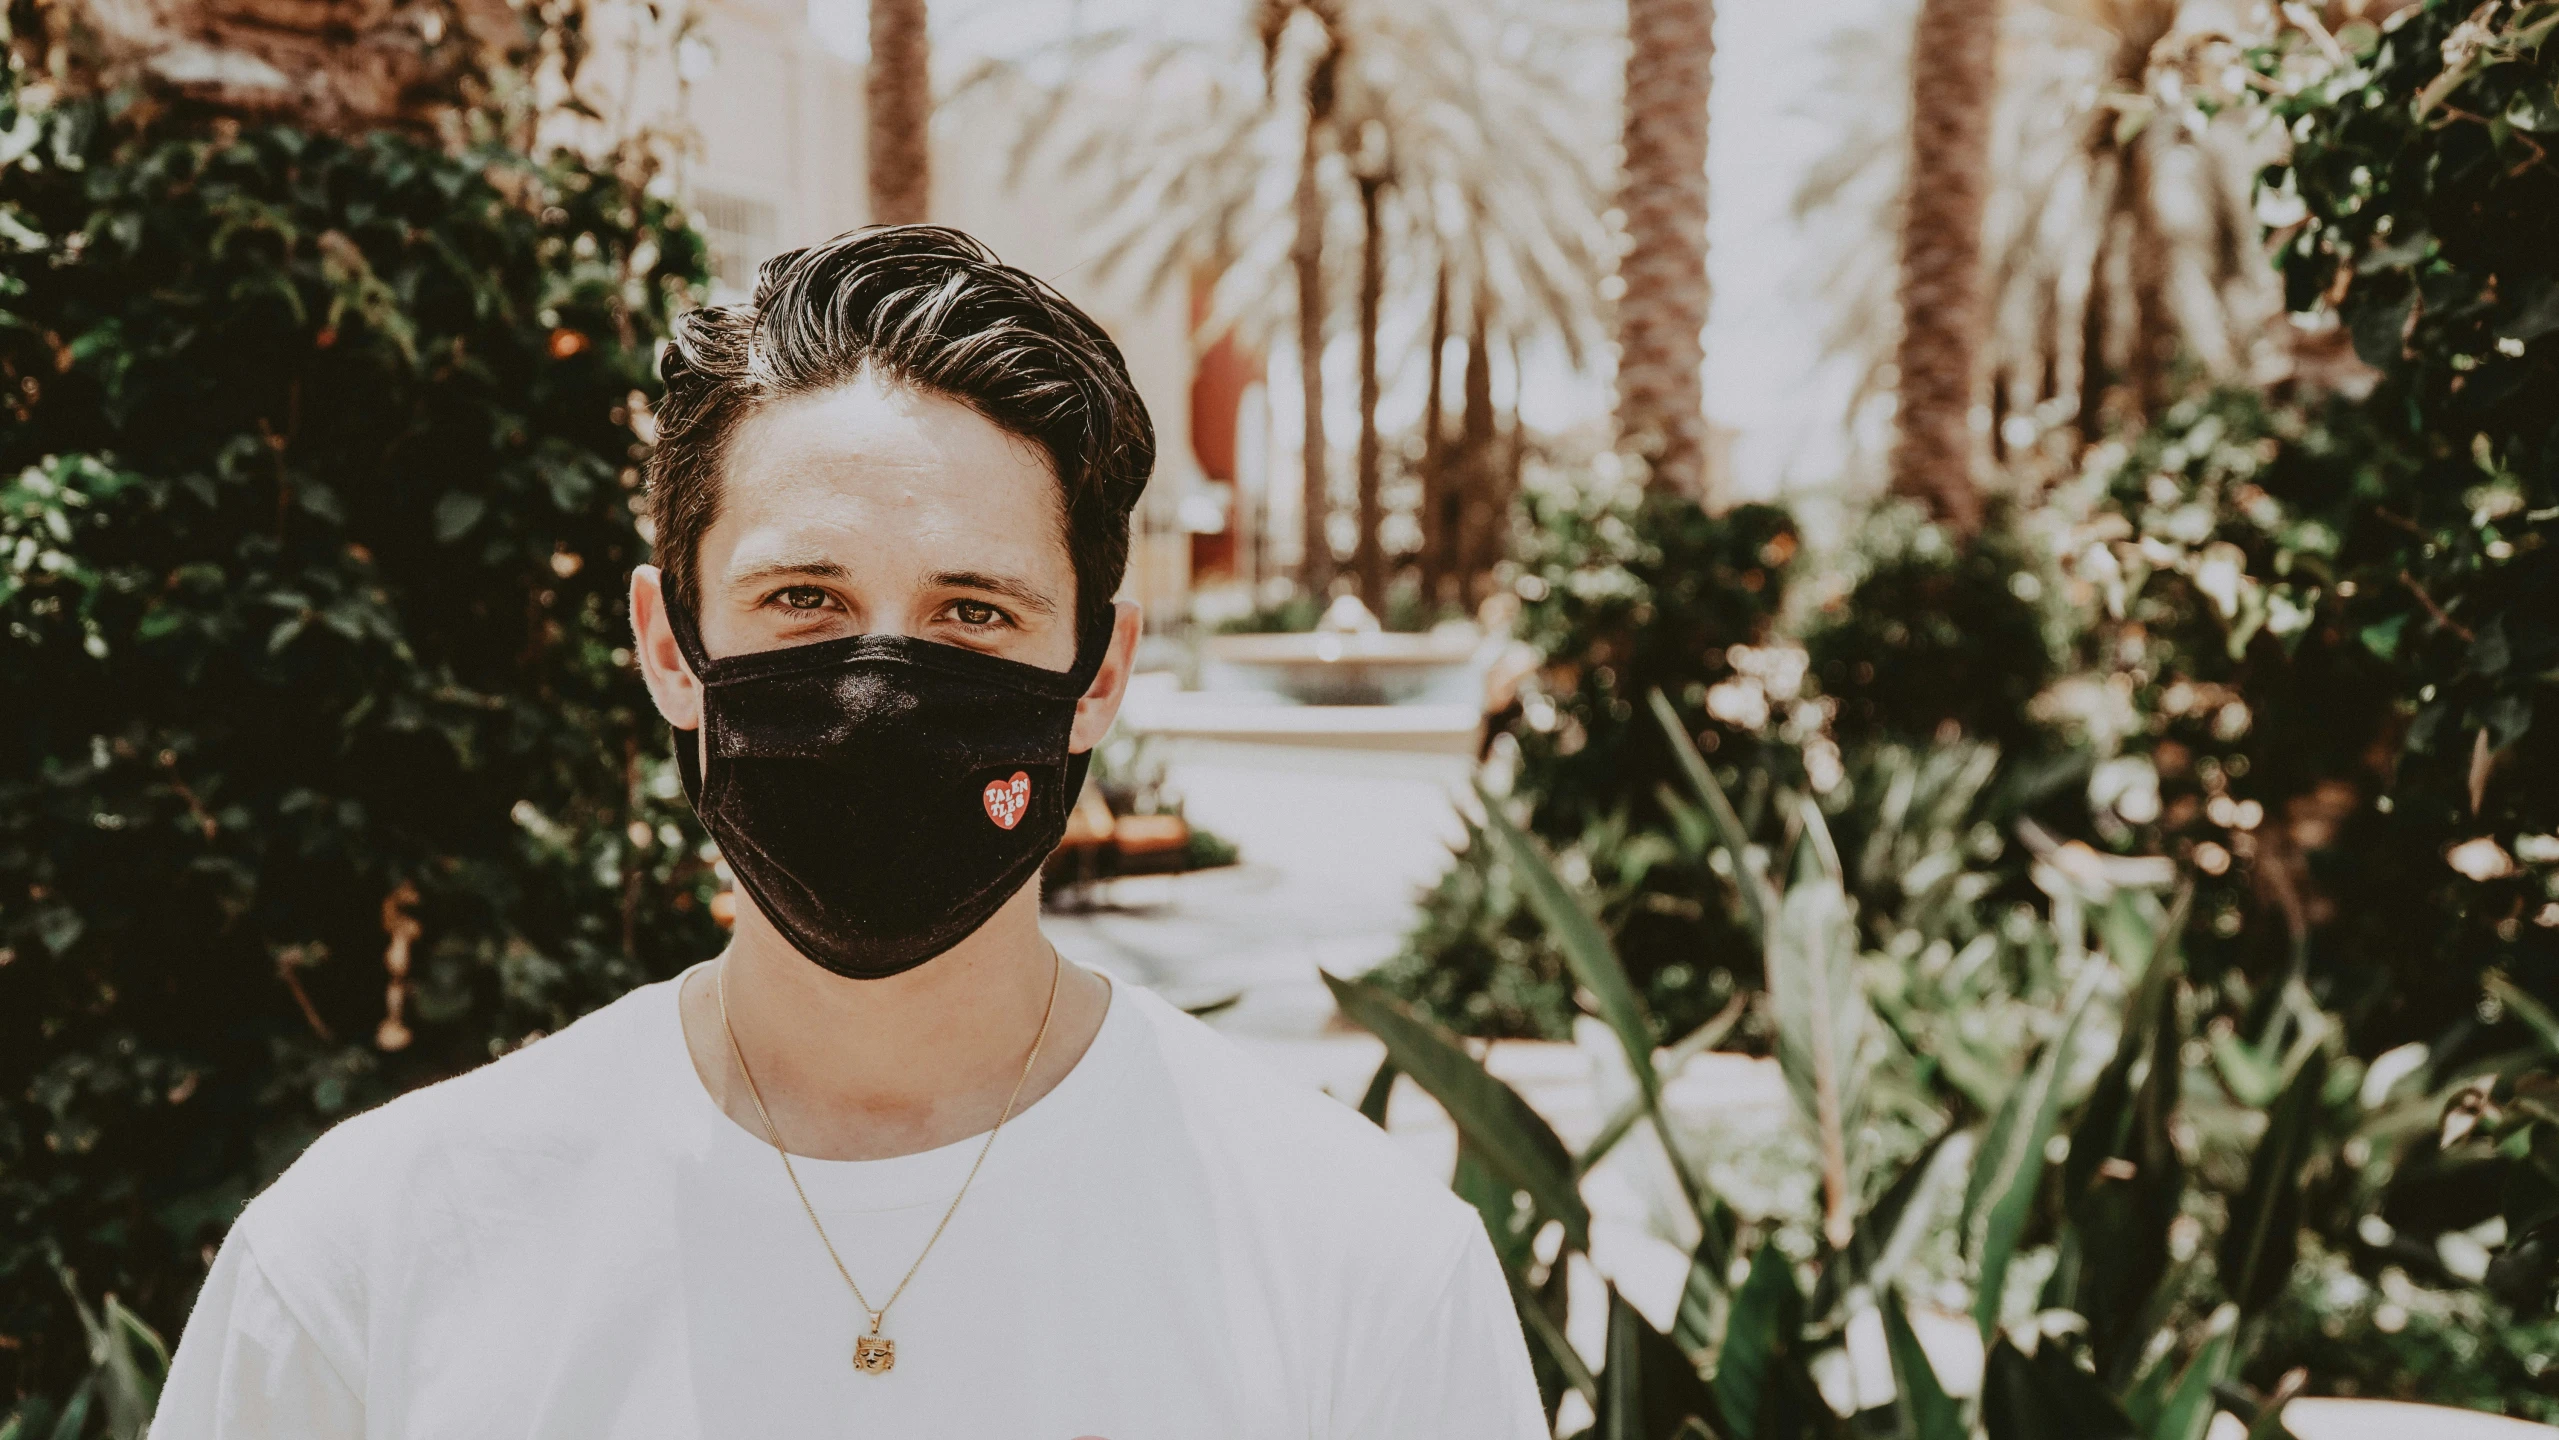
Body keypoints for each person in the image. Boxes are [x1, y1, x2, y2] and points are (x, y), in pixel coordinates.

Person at [151, 226, 1545, 1439]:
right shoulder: (372, 1260)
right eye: (803, 600)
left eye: (972, 613)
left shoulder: (1358, 1266)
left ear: (1100, 676)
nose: (876, 693)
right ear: (666, 644)